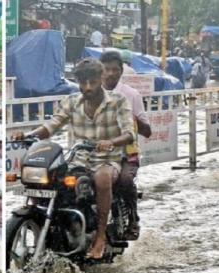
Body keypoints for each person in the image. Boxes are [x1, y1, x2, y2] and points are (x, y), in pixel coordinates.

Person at [12, 58, 135, 259]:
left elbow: (129, 133)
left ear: (100, 78)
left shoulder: (118, 101)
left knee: (102, 179)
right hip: (79, 158)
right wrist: (28, 135)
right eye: (83, 83)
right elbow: (52, 125)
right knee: (53, 181)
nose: (87, 87)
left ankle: (100, 237)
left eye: (92, 82)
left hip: (107, 158)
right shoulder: (71, 101)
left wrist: (111, 141)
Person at [100, 51, 151, 240]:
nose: (111, 74)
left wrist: (135, 120)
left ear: (121, 71)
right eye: (107, 70)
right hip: (96, 154)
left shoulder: (132, 95)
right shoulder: (91, 93)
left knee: (124, 180)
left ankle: (133, 219)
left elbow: (147, 131)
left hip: (125, 155)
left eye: (115, 70)